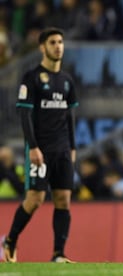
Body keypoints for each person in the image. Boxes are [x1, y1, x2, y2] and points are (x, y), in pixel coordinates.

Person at [2, 27, 78, 263]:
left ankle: (58, 254)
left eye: (60, 42)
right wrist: (32, 147)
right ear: (42, 48)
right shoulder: (32, 78)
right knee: (35, 199)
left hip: (63, 148)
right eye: (53, 42)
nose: (58, 46)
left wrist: (73, 147)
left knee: (63, 199)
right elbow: (25, 116)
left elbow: (69, 117)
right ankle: (10, 240)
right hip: (40, 149)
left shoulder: (67, 81)